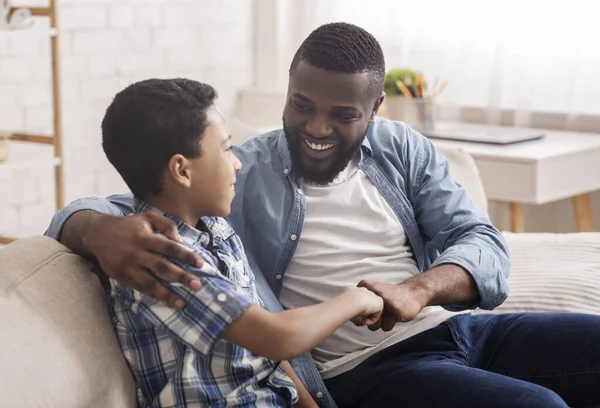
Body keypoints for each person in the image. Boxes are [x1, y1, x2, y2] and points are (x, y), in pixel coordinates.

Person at [46, 23, 600, 408]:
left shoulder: (401, 148)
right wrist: (95, 230)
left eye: (342, 115)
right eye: (301, 106)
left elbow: (479, 240)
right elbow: (129, 200)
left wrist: (419, 290)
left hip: (459, 329)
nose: (315, 129)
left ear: (375, 110)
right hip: (372, 369)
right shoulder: (240, 172)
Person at [96, 77, 384, 408]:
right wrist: (354, 299)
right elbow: (278, 338)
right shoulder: (162, 261)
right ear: (182, 171)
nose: (237, 162)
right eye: (226, 148)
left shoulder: (218, 230)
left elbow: (269, 357)